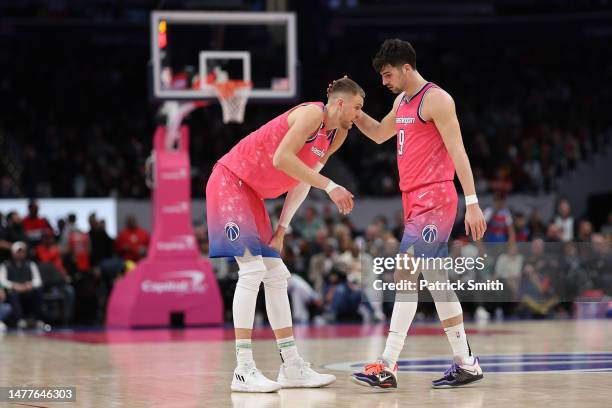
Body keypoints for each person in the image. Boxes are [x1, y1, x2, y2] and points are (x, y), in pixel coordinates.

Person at [205, 77, 364, 392]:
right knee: (252, 271)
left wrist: (282, 228)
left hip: (252, 195)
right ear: (341, 103)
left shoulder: (338, 133)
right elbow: (282, 159)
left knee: (277, 275)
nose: (359, 115)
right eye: (358, 107)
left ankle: (292, 367)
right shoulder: (311, 114)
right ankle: (243, 369)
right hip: (229, 182)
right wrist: (331, 186)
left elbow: (303, 179)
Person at [349, 39, 486, 389]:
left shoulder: (437, 99)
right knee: (437, 283)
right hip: (414, 200)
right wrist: (354, 111)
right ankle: (467, 363)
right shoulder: (401, 101)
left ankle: (387, 364)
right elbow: (380, 134)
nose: (384, 81)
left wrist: (472, 201)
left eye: (388, 73)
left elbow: (458, 151)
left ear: (407, 67)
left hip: (436, 198)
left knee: (405, 272)